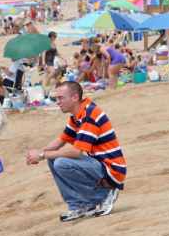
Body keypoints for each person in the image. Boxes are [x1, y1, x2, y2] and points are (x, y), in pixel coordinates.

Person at [25, 82, 125, 222]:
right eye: (56, 99)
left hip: (112, 169)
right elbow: (61, 140)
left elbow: (76, 152)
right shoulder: (77, 114)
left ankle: (105, 194)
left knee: (61, 163)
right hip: (99, 165)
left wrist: (41, 155)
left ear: (74, 97)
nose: (57, 102)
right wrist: (37, 154)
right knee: (53, 159)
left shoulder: (90, 115)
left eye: (61, 98)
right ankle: (79, 205)